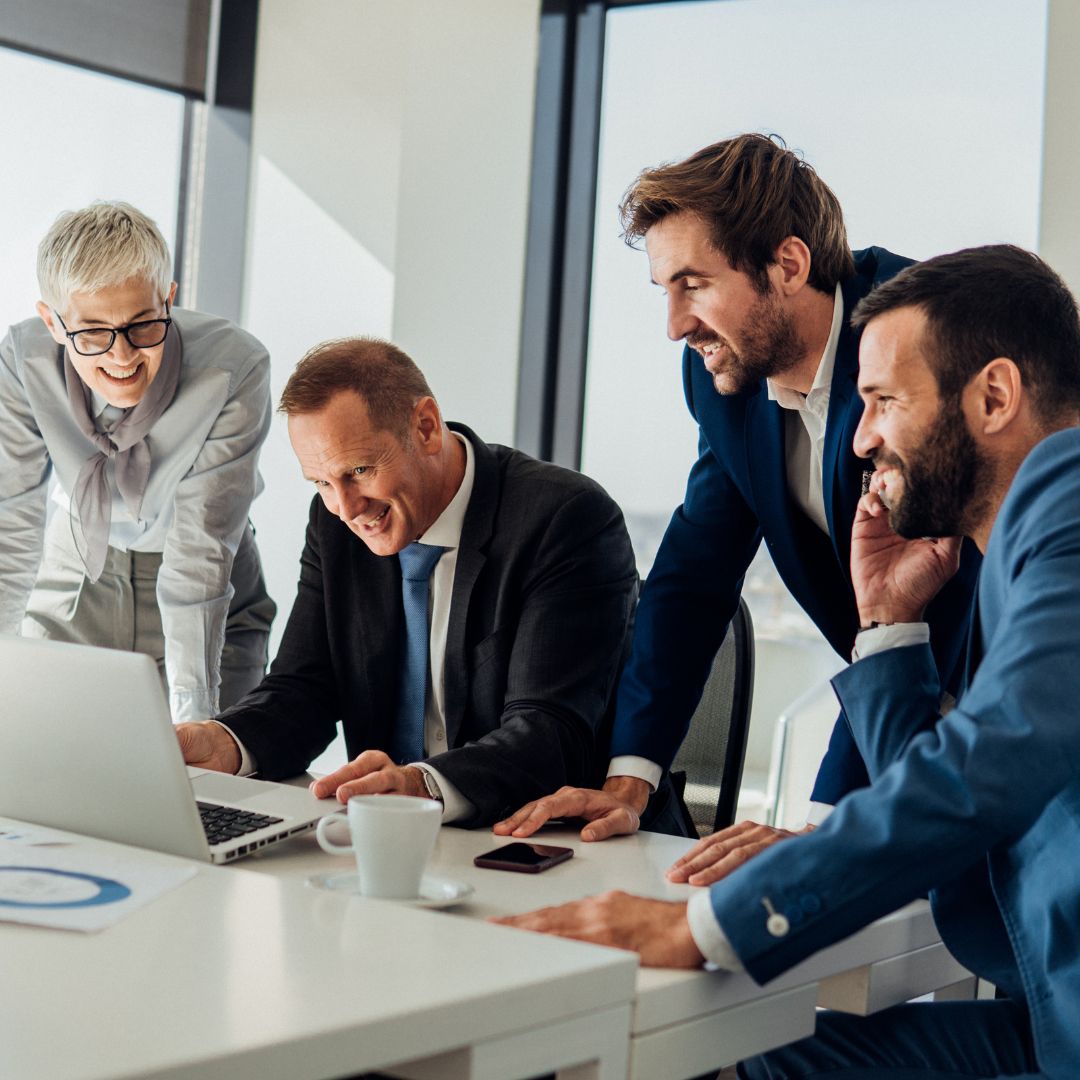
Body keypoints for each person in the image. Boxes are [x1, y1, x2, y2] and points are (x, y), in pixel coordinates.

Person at [498, 244, 1080, 1079]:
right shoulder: (1018, 557)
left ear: (993, 395)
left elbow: (989, 760)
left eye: (882, 401)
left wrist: (704, 928)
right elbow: (966, 802)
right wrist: (885, 623)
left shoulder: (1067, 500)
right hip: (1048, 1025)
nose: (862, 438)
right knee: (739, 1056)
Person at [497, 133, 979, 849]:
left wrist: (820, 829)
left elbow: (926, 613)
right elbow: (694, 575)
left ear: (788, 263)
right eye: (665, 290)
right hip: (909, 704)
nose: (673, 326)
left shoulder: (916, 342)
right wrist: (630, 778)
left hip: (1006, 695)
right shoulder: (722, 376)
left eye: (693, 284)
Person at [177, 336, 638, 827]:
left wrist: (421, 785)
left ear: (425, 427)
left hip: (544, 837)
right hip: (388, 836)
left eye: (359, 470)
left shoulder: (563, 518)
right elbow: (303, 689)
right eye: (321, 482)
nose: (348, 508)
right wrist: (223, 741)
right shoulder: (333, 522)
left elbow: (549, 733)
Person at [0, 201, 275, 722]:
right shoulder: (22, 360)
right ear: (53, 323)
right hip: (76, 565)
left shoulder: (234, 368)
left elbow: (201, 553)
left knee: (205, 778)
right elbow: (9, 533)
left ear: (169, 300)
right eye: (93, 332)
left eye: (143, 325)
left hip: (212, 578)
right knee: (44, 745)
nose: (122, 357)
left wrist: (194, 723)